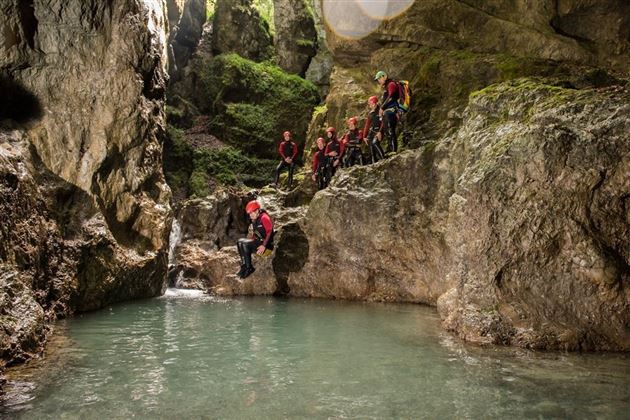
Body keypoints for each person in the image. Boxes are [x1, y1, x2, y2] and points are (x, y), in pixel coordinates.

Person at [236, 200, 274, 279]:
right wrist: (251, 240)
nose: (250, 215)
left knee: (245, 244)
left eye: (252, 213)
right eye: (249, 213)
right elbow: (256, 234)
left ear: (257, 210)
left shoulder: (264, 217)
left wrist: (264, 245)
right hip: (259, 243)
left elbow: (270, 232)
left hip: (266, 247)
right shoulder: (255, 220)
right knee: (240, 242)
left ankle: (249, 268)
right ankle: (245, 265)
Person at [374, 70, 399, 154]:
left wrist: (382, 107)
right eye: (378, 80)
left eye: (379, 79)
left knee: (390, 130)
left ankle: (393, 150)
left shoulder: (391, 84)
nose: (378, 81)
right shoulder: (387, 86)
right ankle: (390, 149)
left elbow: (391, 96)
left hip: (391, 111)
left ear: (384, 76)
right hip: (388, 112)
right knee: (387, 130)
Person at [363, 95, 385, 164]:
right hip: (371, 132)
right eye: (370, 104)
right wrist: (364, 136)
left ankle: (383, 159)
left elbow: (383, 122)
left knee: (375, 143)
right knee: (371, 150)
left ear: (375, 103)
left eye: (371, 104)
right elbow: (367, 125)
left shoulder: (380, 110)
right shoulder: (370, 113)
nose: (370, 105)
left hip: (378, 131)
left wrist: (380, 132)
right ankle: (374, 164)